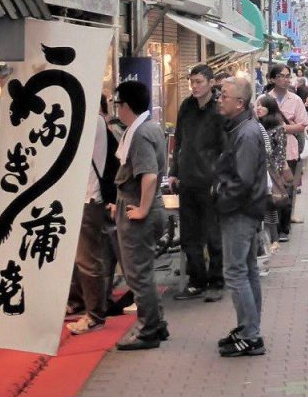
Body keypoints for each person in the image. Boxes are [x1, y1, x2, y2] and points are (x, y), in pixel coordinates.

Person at [110, 81, 169, 350]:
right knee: (142, 271)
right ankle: (157, 324)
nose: (116, 110)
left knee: (137, 274)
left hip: (140, 209)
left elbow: (149, 175)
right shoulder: (150, 127)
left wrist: (142, 209)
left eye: (117, 104)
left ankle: (148, 330)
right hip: (140, 206)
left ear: (126, 106)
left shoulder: (141, 133)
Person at [214, 77, 269, 357]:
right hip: (246, 208)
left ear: (240, 103)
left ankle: (251, 334)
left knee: (236, 272)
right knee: (247, 270)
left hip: (240, 210)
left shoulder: (246, 132)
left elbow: (243, 179)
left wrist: (222, 198)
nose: (219, 99)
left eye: (224, 96)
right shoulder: (241, 127)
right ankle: (249, 326)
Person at [169, 64, 226, 303]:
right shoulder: (186, 106)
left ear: (211, 83)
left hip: (210, 180)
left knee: (213, 233)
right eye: (192, 82)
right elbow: (178, 139)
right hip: (187, 178)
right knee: (190, 233)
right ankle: (196, 280)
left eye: (199, 82)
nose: (194, 86)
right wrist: (173, 171)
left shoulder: (219, 109)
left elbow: (225, 148)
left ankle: (216, 280)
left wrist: (220, 178)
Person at [65, 95, 112, 335]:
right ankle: (83, 304)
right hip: (82, 199)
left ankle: (95, 315)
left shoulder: (90, 121)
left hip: (88, 198)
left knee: (88, 259)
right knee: (83, 258)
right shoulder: (96, 120)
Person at [267, 64, 308, 241]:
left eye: (287, 76)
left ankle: (284, 227)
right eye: (281, 76)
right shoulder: (264, 99)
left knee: (287, 188)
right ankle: (273, 227)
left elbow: (303, 124)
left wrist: (282, 128)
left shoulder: (296, 100)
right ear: (272, 79)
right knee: (272, 188)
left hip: (290, 149)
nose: (285, 79)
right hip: (269, 150)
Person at [255, 95, 289, 274]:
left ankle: (273, 241)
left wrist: (274, 173)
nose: (259, 108)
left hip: (269, 172)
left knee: (271, 206)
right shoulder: (256, 124)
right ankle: (273, 240)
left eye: (263, 105)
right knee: (268, 209)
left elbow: (278, 153)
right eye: (257, 105)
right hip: (264, 173)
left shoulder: (276, 127)